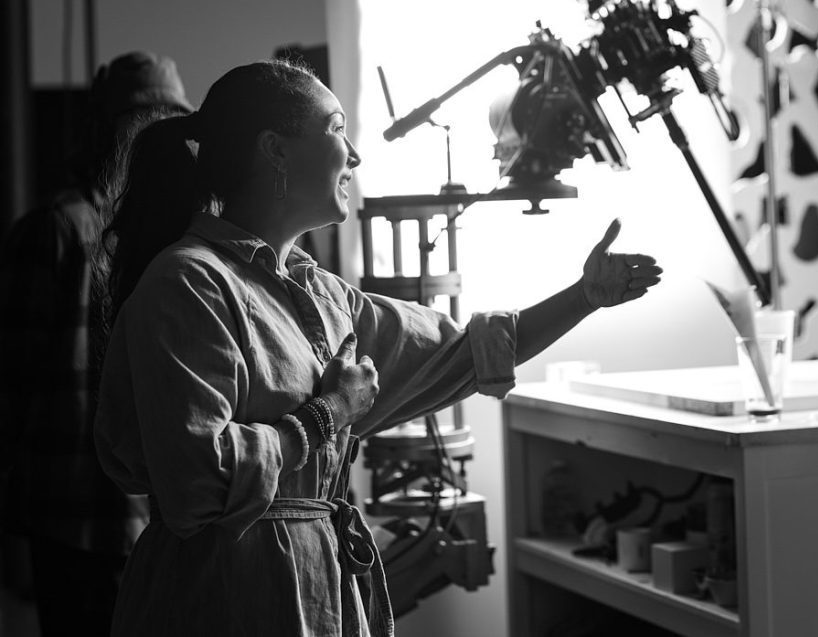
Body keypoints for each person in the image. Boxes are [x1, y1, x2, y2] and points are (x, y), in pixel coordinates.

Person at [93, 58, 662, 636]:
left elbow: (467, 352)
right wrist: (328, 415)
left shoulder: (323, 298)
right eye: (337, 129)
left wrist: (584, 297)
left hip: (318, 597)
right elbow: (195, 484)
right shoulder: (189, 284)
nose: (355, 156)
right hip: (218, 600)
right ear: (276, 150)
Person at [0, 51, 193, 635]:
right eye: (144, 124)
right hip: (99, 517)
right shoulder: (64, 232)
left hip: (115, 518)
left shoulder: (148, 235)